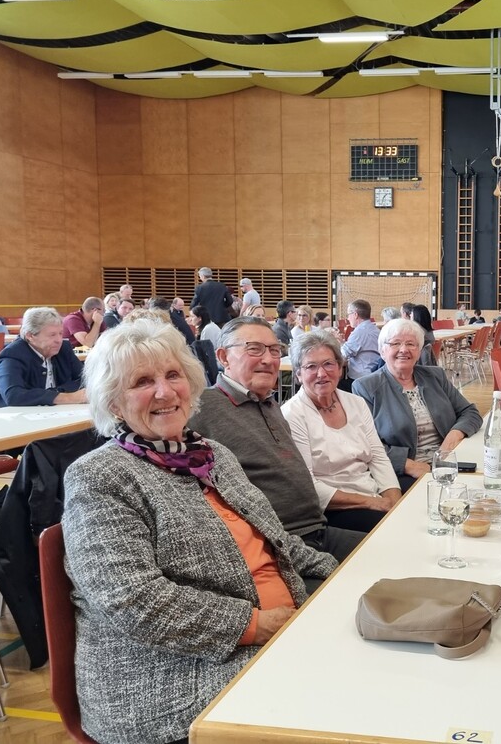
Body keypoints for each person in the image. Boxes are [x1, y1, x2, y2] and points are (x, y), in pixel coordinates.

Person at [62, 319, 338, 744]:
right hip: (174, 679)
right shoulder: (100, 477)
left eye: (173, 375)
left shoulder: (211, 455)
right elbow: (133, 601)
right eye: (142, 382)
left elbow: (277, 541)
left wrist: (338, 574)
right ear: (114, 403)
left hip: (279, 627)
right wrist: (257, 625)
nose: (164, 391)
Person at [190, 316, 366, 561]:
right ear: (223, 357)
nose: (269, 359)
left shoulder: (268, 403)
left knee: (400, 549)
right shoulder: (201, 407)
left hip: (317, 530)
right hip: (277, 545)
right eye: (254, 349)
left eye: (274, 350)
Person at [282, 332, 400, 532]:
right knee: (395, 532)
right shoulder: (291, 415)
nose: (321, 373)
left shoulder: (356, 403)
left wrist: (394, 502)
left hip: (372, 493)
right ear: (298, 375)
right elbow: (307, 485)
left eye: (328, 364)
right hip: (333, 507)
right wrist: (373, 503)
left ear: (339, 367)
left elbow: (378, 457)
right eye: (311, 366)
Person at [352, 319, 482, 492]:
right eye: (395, 343)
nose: (403, 349)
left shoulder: (435, 376)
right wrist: (409, 465)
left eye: (411, 344)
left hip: (449, 461)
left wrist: (452, 438)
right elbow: (366, 443)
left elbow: (470, 412)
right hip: (402, 472)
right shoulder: (365, 387)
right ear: (382, 350)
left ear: (419, 351)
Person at [0, 307, 86, 408]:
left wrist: (57, 391)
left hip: (53, 411)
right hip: (7, 413)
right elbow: (13, 395)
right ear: (30, 336)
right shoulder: (12, 354)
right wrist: (69, 397)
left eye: (60, 333)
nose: (59, 340)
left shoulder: (64, 349)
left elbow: (85, 379)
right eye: (52, 335)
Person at [341, 299, 381, 383]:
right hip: (374, 376)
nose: (348, 318)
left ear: (355, 315)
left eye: (349, 314)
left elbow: (343, 354)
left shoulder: (360, 332)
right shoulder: (375, 329)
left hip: (360, 379)